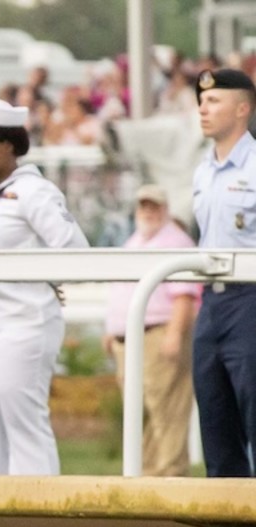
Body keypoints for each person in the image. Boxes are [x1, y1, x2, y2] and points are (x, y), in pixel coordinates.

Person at [0, 99, 89, 479]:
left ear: (9, 145)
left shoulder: (35, 192)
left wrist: (50, 279)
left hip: (24, 321)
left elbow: (75, 251)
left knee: (25, 426)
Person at [103, 184, 200, 476]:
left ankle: (171, 474)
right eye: (143, 206)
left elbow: (185, 294)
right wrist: (111, 329)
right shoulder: (134, 241)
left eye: (154, 206)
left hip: (158, 333)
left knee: (167, 410)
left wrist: (174, 333)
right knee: (140, 413)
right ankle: (148, 475)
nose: (148, 211)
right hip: (129, 339)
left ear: (165, 209)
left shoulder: (176, 242)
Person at [191, 68, 256, 477]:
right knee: (214, 415)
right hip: (211, 301)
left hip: (250, 299)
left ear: (243, 108)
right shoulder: (203, 171)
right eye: (201, 100)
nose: (203, 108)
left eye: (214, 101)